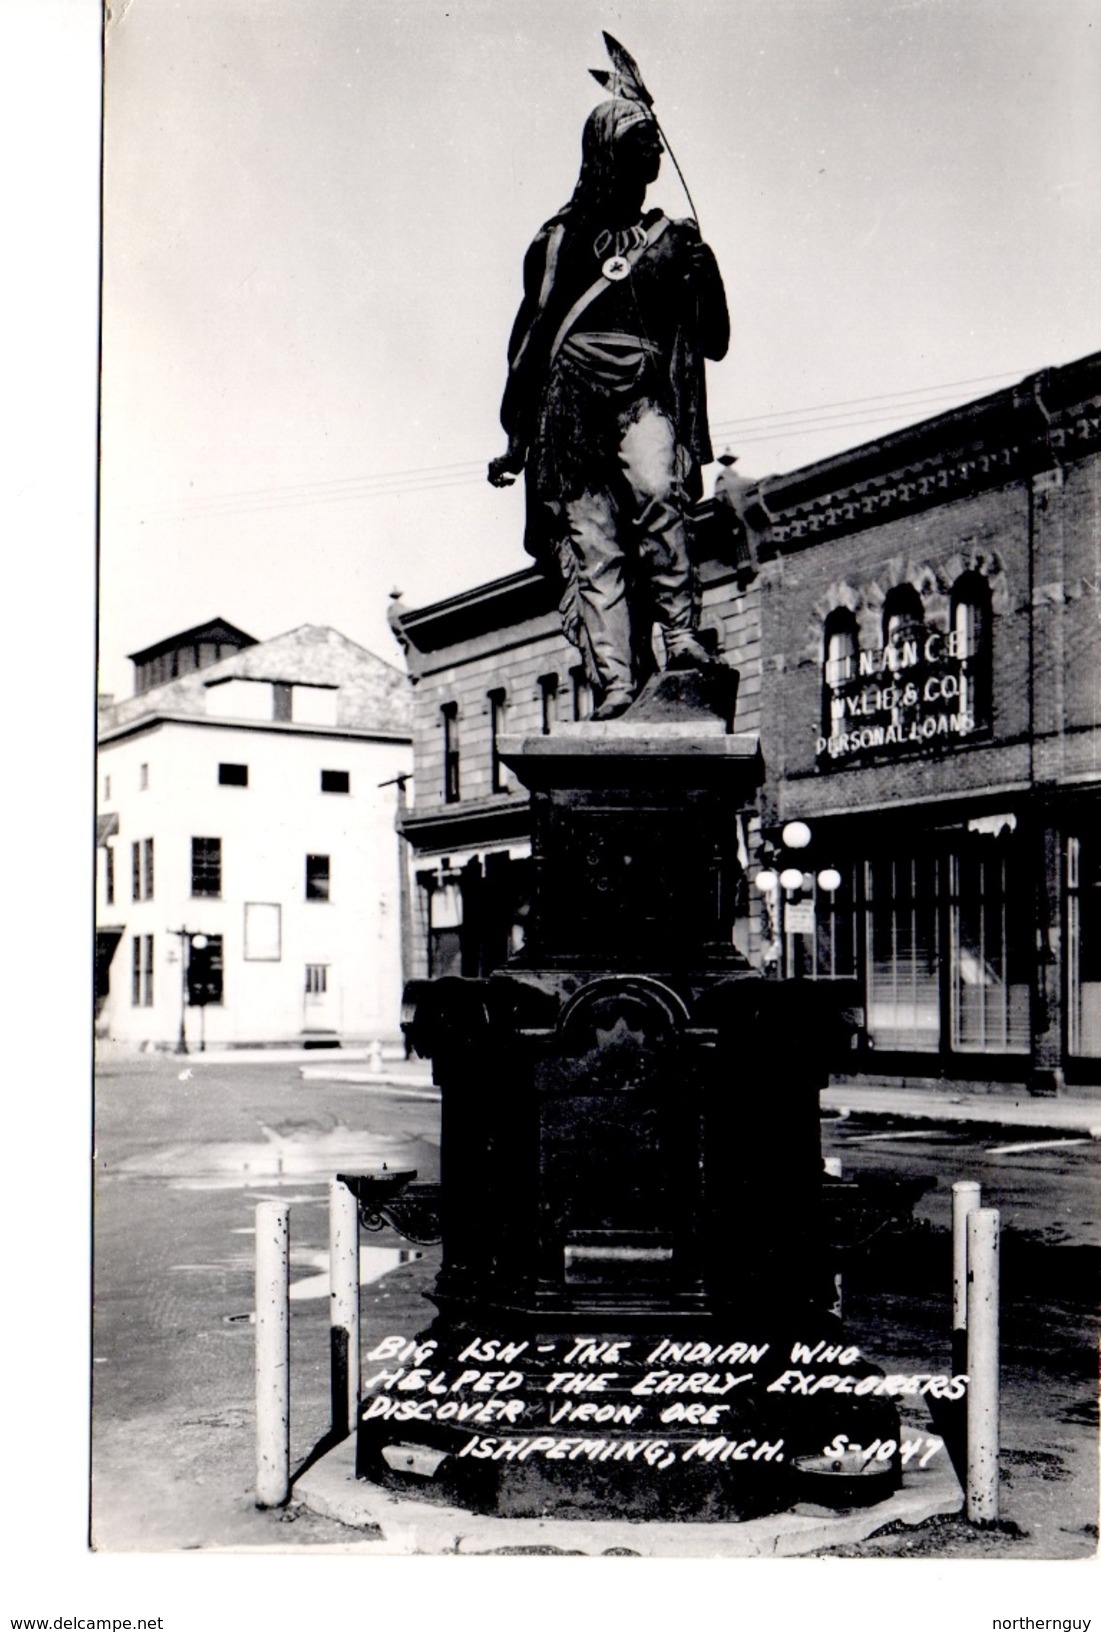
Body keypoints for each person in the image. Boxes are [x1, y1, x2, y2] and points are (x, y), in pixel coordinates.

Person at [488, 97, 730, 718]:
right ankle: (616, 678)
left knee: (658, 494)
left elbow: (716, 342)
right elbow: (530, 340)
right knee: (595, 545)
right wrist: (516, 441)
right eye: (641, 141)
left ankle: (679, 636)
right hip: (569, 408)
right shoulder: (558, 239)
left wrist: (708, 280)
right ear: (607, 151)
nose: (654, 152)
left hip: (642, 393)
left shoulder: (674, 240)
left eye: (654, 141)